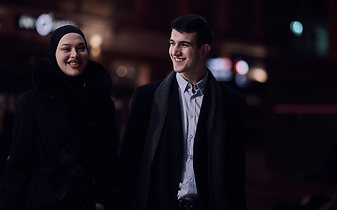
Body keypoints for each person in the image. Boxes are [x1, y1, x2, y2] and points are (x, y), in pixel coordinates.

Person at [118, 14, 246, 210]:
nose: (175, 52)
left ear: (203, 50)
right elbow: (129, 162)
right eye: (172, 43)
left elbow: (236, 170)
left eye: (184, 45)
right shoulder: (147, 96)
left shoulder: (231, 101)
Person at [0, 25, 122, 210]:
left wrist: (104, 201)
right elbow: (19, 164)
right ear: (53, 54)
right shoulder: (32, 102)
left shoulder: (102, 103)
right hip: (41, 201)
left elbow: (109, 161)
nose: (75, 54)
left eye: (81, 48)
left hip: (86, 201)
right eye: (66, 49)